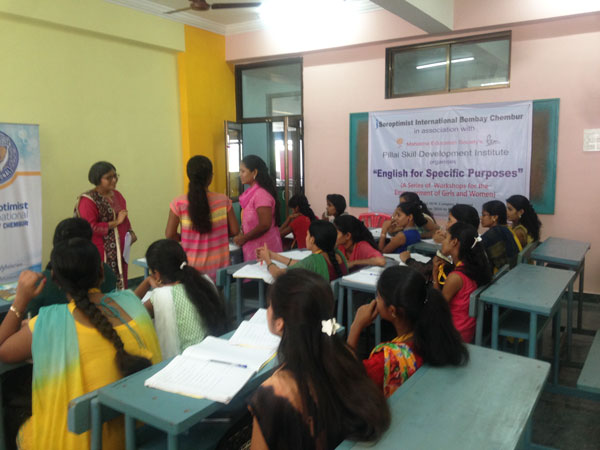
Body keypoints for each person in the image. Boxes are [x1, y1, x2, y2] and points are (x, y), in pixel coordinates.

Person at [0, 238, 161, 450]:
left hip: (84, 444)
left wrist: (20, 300)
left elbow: (3, 350)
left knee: (16, 416)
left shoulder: (49, 322)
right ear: (101, 272)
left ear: (56, 281)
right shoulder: (133, 303)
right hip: (142, 432)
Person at [249, 269, 390, 449]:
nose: (268, 310)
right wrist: (355, 326)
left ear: (280, 323)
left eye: (270, 305)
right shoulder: (346, 357)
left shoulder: (275, 392)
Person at [347, 266, 469, 397]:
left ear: (392, 311)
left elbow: (346, 382)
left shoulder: (386, 360)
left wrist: (356, 326)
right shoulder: (435, 335)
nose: (376, 300)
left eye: (379, 297)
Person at [134, 239, 227, 359]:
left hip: (185, 361)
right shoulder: (203, 282)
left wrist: (147, 282)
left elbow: (130, 311)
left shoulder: (162, 296)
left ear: (156, 274)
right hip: (212, 351)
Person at [166, 156, 240, 281]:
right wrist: (218, 235)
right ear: (210, 177)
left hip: (191, 270)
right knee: (216, 294)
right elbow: (235, 230)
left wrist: (185, 238)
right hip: (219, 269)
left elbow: (169, 234)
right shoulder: (223, 201)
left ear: (189, 176)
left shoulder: (178, 203)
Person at [26, 218, 118, 317]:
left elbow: (27, 320)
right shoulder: (105, 272)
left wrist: (18, 305)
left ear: (55, 278)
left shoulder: (40, 284)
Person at [76, 161, 135, 289]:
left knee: (121, 280)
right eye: (109, 178)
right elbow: (90, 227)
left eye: (115, 176)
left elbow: (124, 216)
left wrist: (130, 233)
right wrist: (116, 222)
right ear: (98, 179)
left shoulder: (117, 195)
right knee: (104, 282)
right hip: (101, 250)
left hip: (120, 249)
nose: (114, 180)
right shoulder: (88, 200)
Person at [433, 222, 492, 343]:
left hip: (453, 336)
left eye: (446, 238)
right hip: (467, 330)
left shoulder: (455, 277)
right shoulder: (474, 266)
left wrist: (434, 274)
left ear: (454, 242)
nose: (443, 242)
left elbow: (437, 308)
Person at [400, 203, 480, 282]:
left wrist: (408, 260)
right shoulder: (474, 247)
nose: (446, 225)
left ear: (461, 225)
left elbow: (427, 270)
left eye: (449, 220)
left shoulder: (456, 255)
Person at [257, 220, 349, 282]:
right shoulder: (338, 254)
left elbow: (278, 275)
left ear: (312, 240)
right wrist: (273, 256)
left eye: (307, 235)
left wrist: (267, 260)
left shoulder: (314, 260)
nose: (306, 238)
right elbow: (301, 265)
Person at [233, 155, 283, 261]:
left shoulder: (261, 194)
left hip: (265, 249)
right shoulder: (251, 193)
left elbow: (265, 224)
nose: (240, 175)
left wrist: (244, 238)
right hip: (253, 248)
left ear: (254, 172)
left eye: (243, 171)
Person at [480, 200, 520, 271]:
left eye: (484, 215)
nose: (481, 218)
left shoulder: (494, 233)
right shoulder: (505, 229)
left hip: (501, 274)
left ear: (495, 217)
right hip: (512, 270)